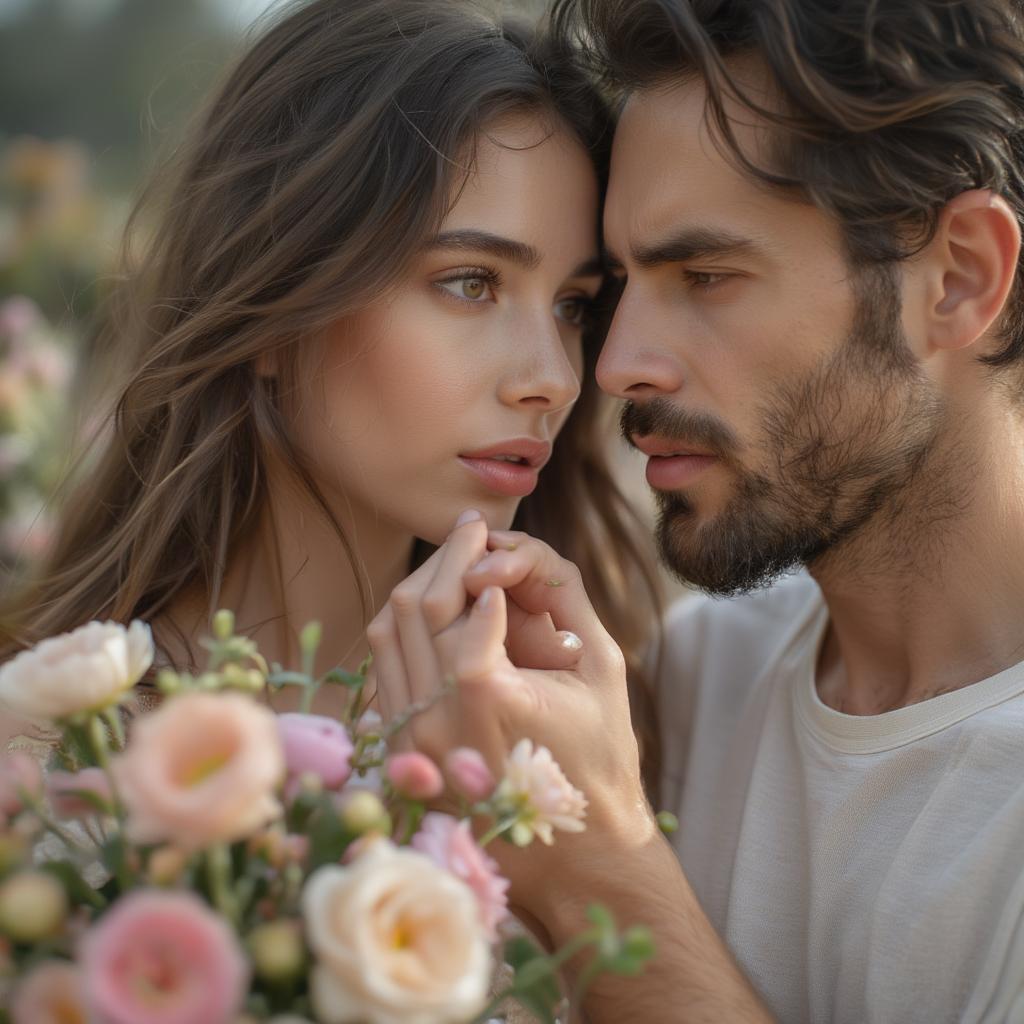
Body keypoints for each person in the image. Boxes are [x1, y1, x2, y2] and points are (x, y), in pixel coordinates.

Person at [367, 0, 1024, 1020]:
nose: (616, 366)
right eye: (618, 288)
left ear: (958, 278)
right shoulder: (690, 679)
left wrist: (600, 865)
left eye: (706, 275)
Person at [0, 0, 662, 777]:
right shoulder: (52, 767)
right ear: (278, 311)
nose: (552, 378)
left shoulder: (585, 730)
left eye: (573, 306)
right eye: (470, 283)